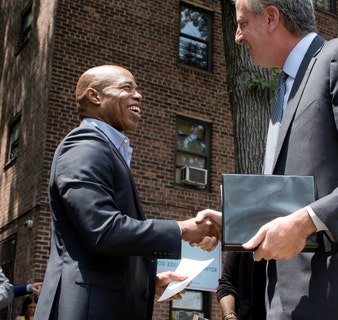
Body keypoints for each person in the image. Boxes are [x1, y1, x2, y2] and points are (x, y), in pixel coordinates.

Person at [204, 0, 338, 318]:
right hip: (285, 302)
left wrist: (307, 222)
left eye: (242, 23)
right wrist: (239, 220)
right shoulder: (284, 90)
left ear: (271, 18)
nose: (238, 36)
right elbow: (300, 195)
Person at [34, 65, 220, 320]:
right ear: (95, 96)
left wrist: (148, 283)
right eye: (126, 88)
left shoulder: (106, 149)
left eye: (137, 88)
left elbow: (106, 252)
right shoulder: (84, 147)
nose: (139, 95)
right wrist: (182, 230)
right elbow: (103, 230)